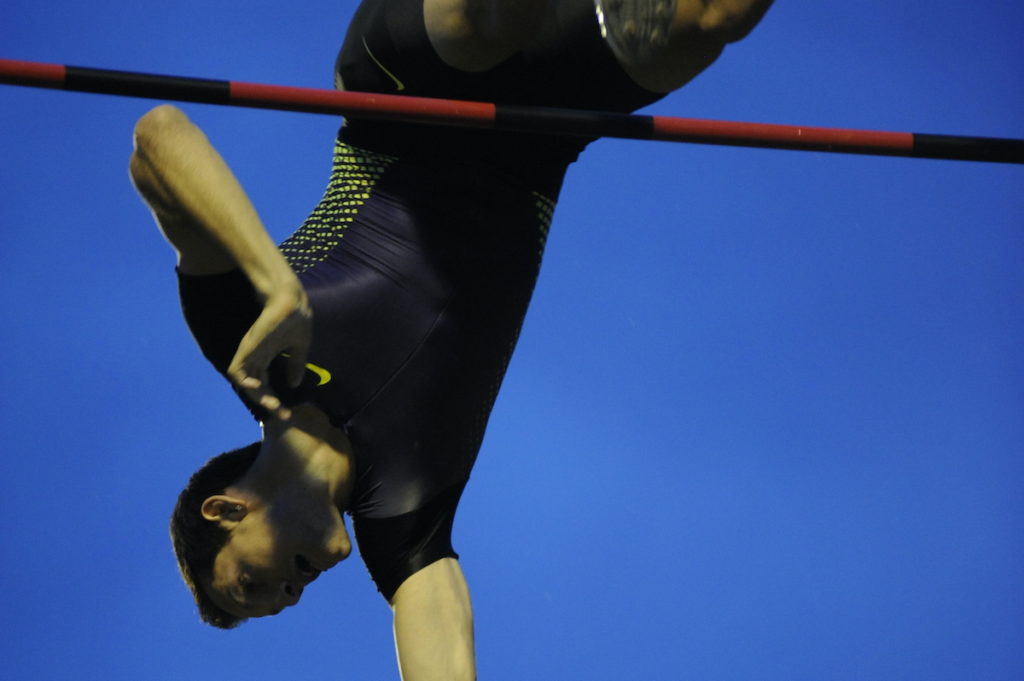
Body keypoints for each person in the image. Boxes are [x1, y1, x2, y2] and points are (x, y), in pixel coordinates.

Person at [129, 0, 773, 678]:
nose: (286, 599)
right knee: (713, 18)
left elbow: (156, 139)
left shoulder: (248, 347)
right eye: (273, 603)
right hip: (540, 133)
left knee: (490, 20)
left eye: (249, 583)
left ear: (227, 506)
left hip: (404, 96)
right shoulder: (406, 528)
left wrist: (275, 283)